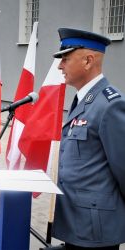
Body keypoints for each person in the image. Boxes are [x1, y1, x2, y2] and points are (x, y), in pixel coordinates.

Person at [52, 28, 125, 250]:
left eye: (65, 59)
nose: (59, 66)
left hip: (96, 228)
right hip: (77, 222)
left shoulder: (110, 104)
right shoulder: (84, 100)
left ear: (88, 61)